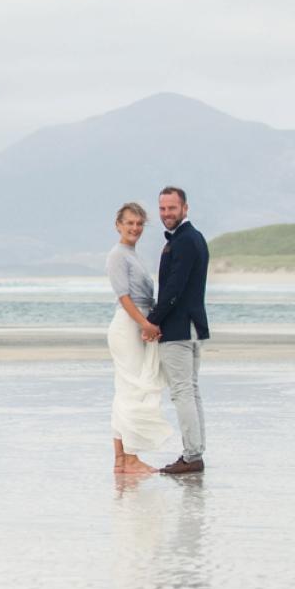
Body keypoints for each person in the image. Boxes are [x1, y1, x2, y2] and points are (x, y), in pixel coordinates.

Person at [144, 186, 210, 475]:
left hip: (180, 328)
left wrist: (152, 320)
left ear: (185, 208)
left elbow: (174, 289)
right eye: (162, 209)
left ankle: (192, 456)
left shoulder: (184, 241)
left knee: (183, 391)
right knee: (191, 391)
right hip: (193, 326)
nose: (166, 214)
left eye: (171, 208)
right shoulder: (194, 238)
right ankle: (195, 452)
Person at [105, 202, 172, 475]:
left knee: (127, 389)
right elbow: (124, 296)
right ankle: (130, 457)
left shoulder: (132, 254)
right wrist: (146, 324)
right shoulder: (117, 255)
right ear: (118, 225)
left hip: (137, 323)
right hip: (128, 325)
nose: (134, 228)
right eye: (129, 223)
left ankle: (121, 458)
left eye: (139, 223)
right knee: (134, 389)